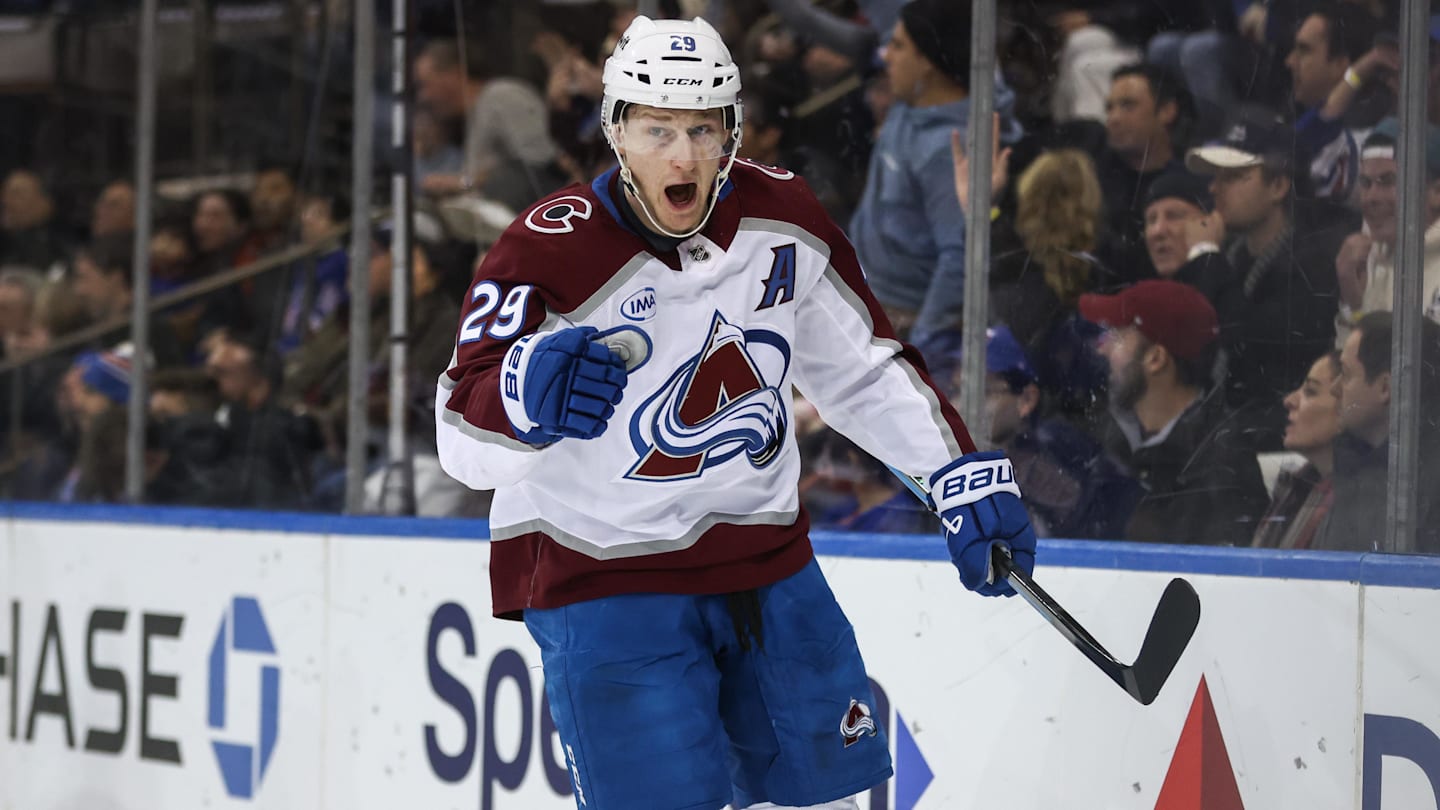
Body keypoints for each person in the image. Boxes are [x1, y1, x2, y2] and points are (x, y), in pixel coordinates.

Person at [436, 16, 1037, 810]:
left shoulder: (782, 214)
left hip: (767, 566)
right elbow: (458, 434)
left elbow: (861, 371)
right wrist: (522, 398)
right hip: (606, 580)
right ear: (616, 132)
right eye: (656, 130)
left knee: (832, 796)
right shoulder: (546, 249)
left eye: (701, 129)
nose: (681, 156)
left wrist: (954, 473)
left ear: (732, 132)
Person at [848, 0, 1021, 343]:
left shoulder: (950, 149)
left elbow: (958, 261)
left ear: (926, 61)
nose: (885, 55)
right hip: (864, 301)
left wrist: (921, 349)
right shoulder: (909, 102)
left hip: (899, 326)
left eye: (898, 46)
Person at [1080, 280, 1270, 544]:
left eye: (1118, 336)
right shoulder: (1109, 440)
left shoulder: (1221, 462)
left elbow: (1213, 577)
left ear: (1155, 358)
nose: (1103, 348)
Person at [1316, 312, 1440, 552]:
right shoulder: (1353, 467)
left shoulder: (1427, 489)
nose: (1334, 388)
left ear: (1386, 388)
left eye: (1346, 374)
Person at [1251, 351, 1342, 549]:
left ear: (1348, 405)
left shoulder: (1349, 506)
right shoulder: (1298, 486)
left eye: (1311, 391)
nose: (1289, 400)